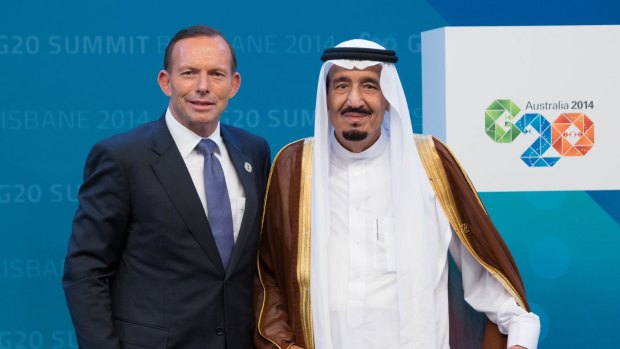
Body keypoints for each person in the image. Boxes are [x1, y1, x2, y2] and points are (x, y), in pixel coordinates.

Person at [254, 39, 540, 349]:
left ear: (388, 96)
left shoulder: (429, 161)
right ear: (324, 98)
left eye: (369, 86)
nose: (354, 100)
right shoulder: (295, 165)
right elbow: (268, 276)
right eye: (340, 86)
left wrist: (520, 333)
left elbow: (483, 268)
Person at [63, 25, 271, 349]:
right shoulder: (122, 158)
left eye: (216, 74)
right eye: (189, 73)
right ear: (166, 81)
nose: (203, 87)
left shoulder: (254, 152)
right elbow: (85, 272)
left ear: (234, 85)